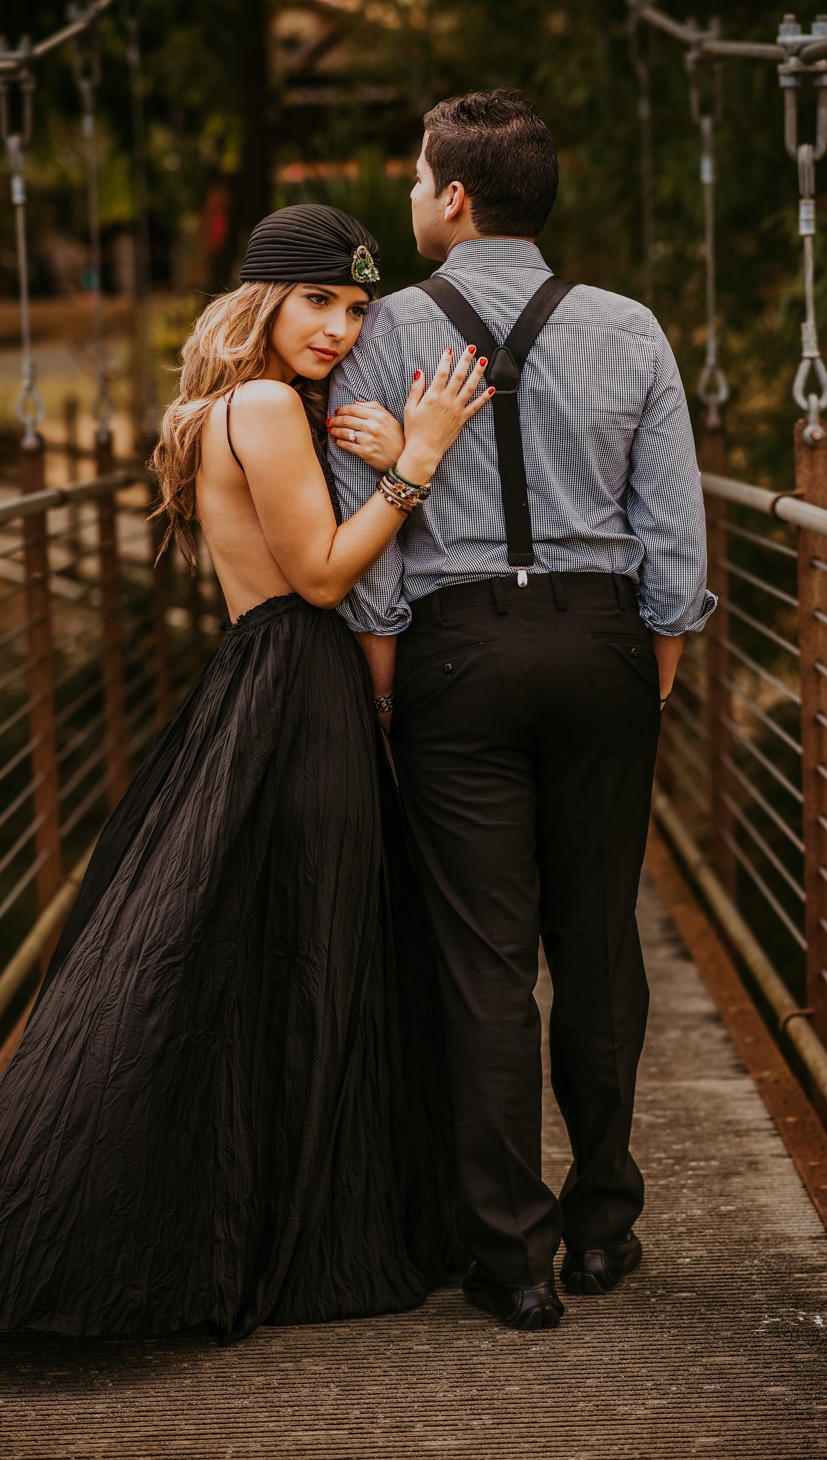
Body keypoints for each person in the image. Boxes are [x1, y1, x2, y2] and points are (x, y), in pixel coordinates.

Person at [0, 203, 491, 1345]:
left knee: (258, 951)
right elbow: (318, 577)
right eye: (317, 299)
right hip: (295, 682)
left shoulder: (230, 407)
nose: (338, 326)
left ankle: (251, 1223)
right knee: (314, 949)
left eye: (356, 309)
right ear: (261, 298)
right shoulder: (264, 404)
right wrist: (417, 460)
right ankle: (282, 1236)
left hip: (263, 684)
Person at [326, 90, 715, 1333]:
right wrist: (645, 670)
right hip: (603, 645)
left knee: (483, 961)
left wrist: (388, 688)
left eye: (414, 177)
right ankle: (606, 1225)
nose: (407, 195)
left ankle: (515, 1258)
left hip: (451, 654)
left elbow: (371, 549)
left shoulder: (376, 332)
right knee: (597, 942)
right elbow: (672, 532)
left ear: (453, 199)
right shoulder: (630, 328)